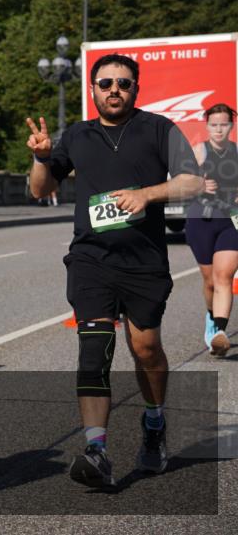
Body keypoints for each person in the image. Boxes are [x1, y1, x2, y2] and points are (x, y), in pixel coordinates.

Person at [26, 52, 202, 489]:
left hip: (144, 263)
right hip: (90, 259)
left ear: (136, 87)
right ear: (93, 89)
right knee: (94, 350)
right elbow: (39, 190)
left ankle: (155, 422)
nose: (114, 91)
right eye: (106, 84)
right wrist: (43, 158)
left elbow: (193, 181)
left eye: (123, 83)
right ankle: (97, 449)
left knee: (145, 350)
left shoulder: (158, 128)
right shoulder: (78, 135)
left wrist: (148, 194)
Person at [184, 103, 238, 357]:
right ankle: (210, 316)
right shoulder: (199, 152)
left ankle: (220, 332)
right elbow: (182, 185)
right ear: (207, 126)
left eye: (223, 124)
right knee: (209, 281)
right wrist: (200, 185)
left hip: (231, 221)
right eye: (214, 124)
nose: (218, 129)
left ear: (231, 126)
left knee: (224, 276)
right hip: (201, 220)